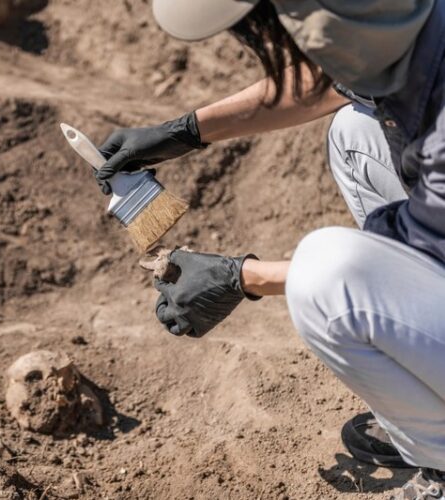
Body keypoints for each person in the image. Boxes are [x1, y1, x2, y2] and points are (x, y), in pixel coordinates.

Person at [94, 1, 445, 498]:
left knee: (326, 276)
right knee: (355, 135)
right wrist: (187, 131)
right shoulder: (405, 19)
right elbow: (335, 78)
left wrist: (242, 277)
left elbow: (421, 257)